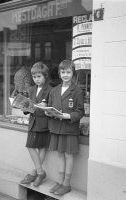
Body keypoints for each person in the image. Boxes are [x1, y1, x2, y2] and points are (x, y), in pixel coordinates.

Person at [46, 60, 84, 195]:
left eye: (68, 72)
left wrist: (68, 116)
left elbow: (80, 112)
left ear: (73, 73)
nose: (66, 75)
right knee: (60, 154)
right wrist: (47, 111)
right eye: (63, 72)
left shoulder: (77, 91)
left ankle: (66, 184)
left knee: (68, 155)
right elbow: (49, 105)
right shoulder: (54, 90)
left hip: (69, 128)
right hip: (56, 127)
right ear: (59, 73)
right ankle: (60, 181)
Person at [20, 62, 52, 187]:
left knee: (42, 147)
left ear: (45, 76)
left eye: (39, 76)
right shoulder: (31, 89)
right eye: (34, 77)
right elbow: (28, 106)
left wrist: (46, 106)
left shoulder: (50, 89)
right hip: (33, 122)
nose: (36, 79)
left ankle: (35, 173)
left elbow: (52, 106)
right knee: (30, 146)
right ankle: (39, 172)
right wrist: (24, 107)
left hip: (44, 123)